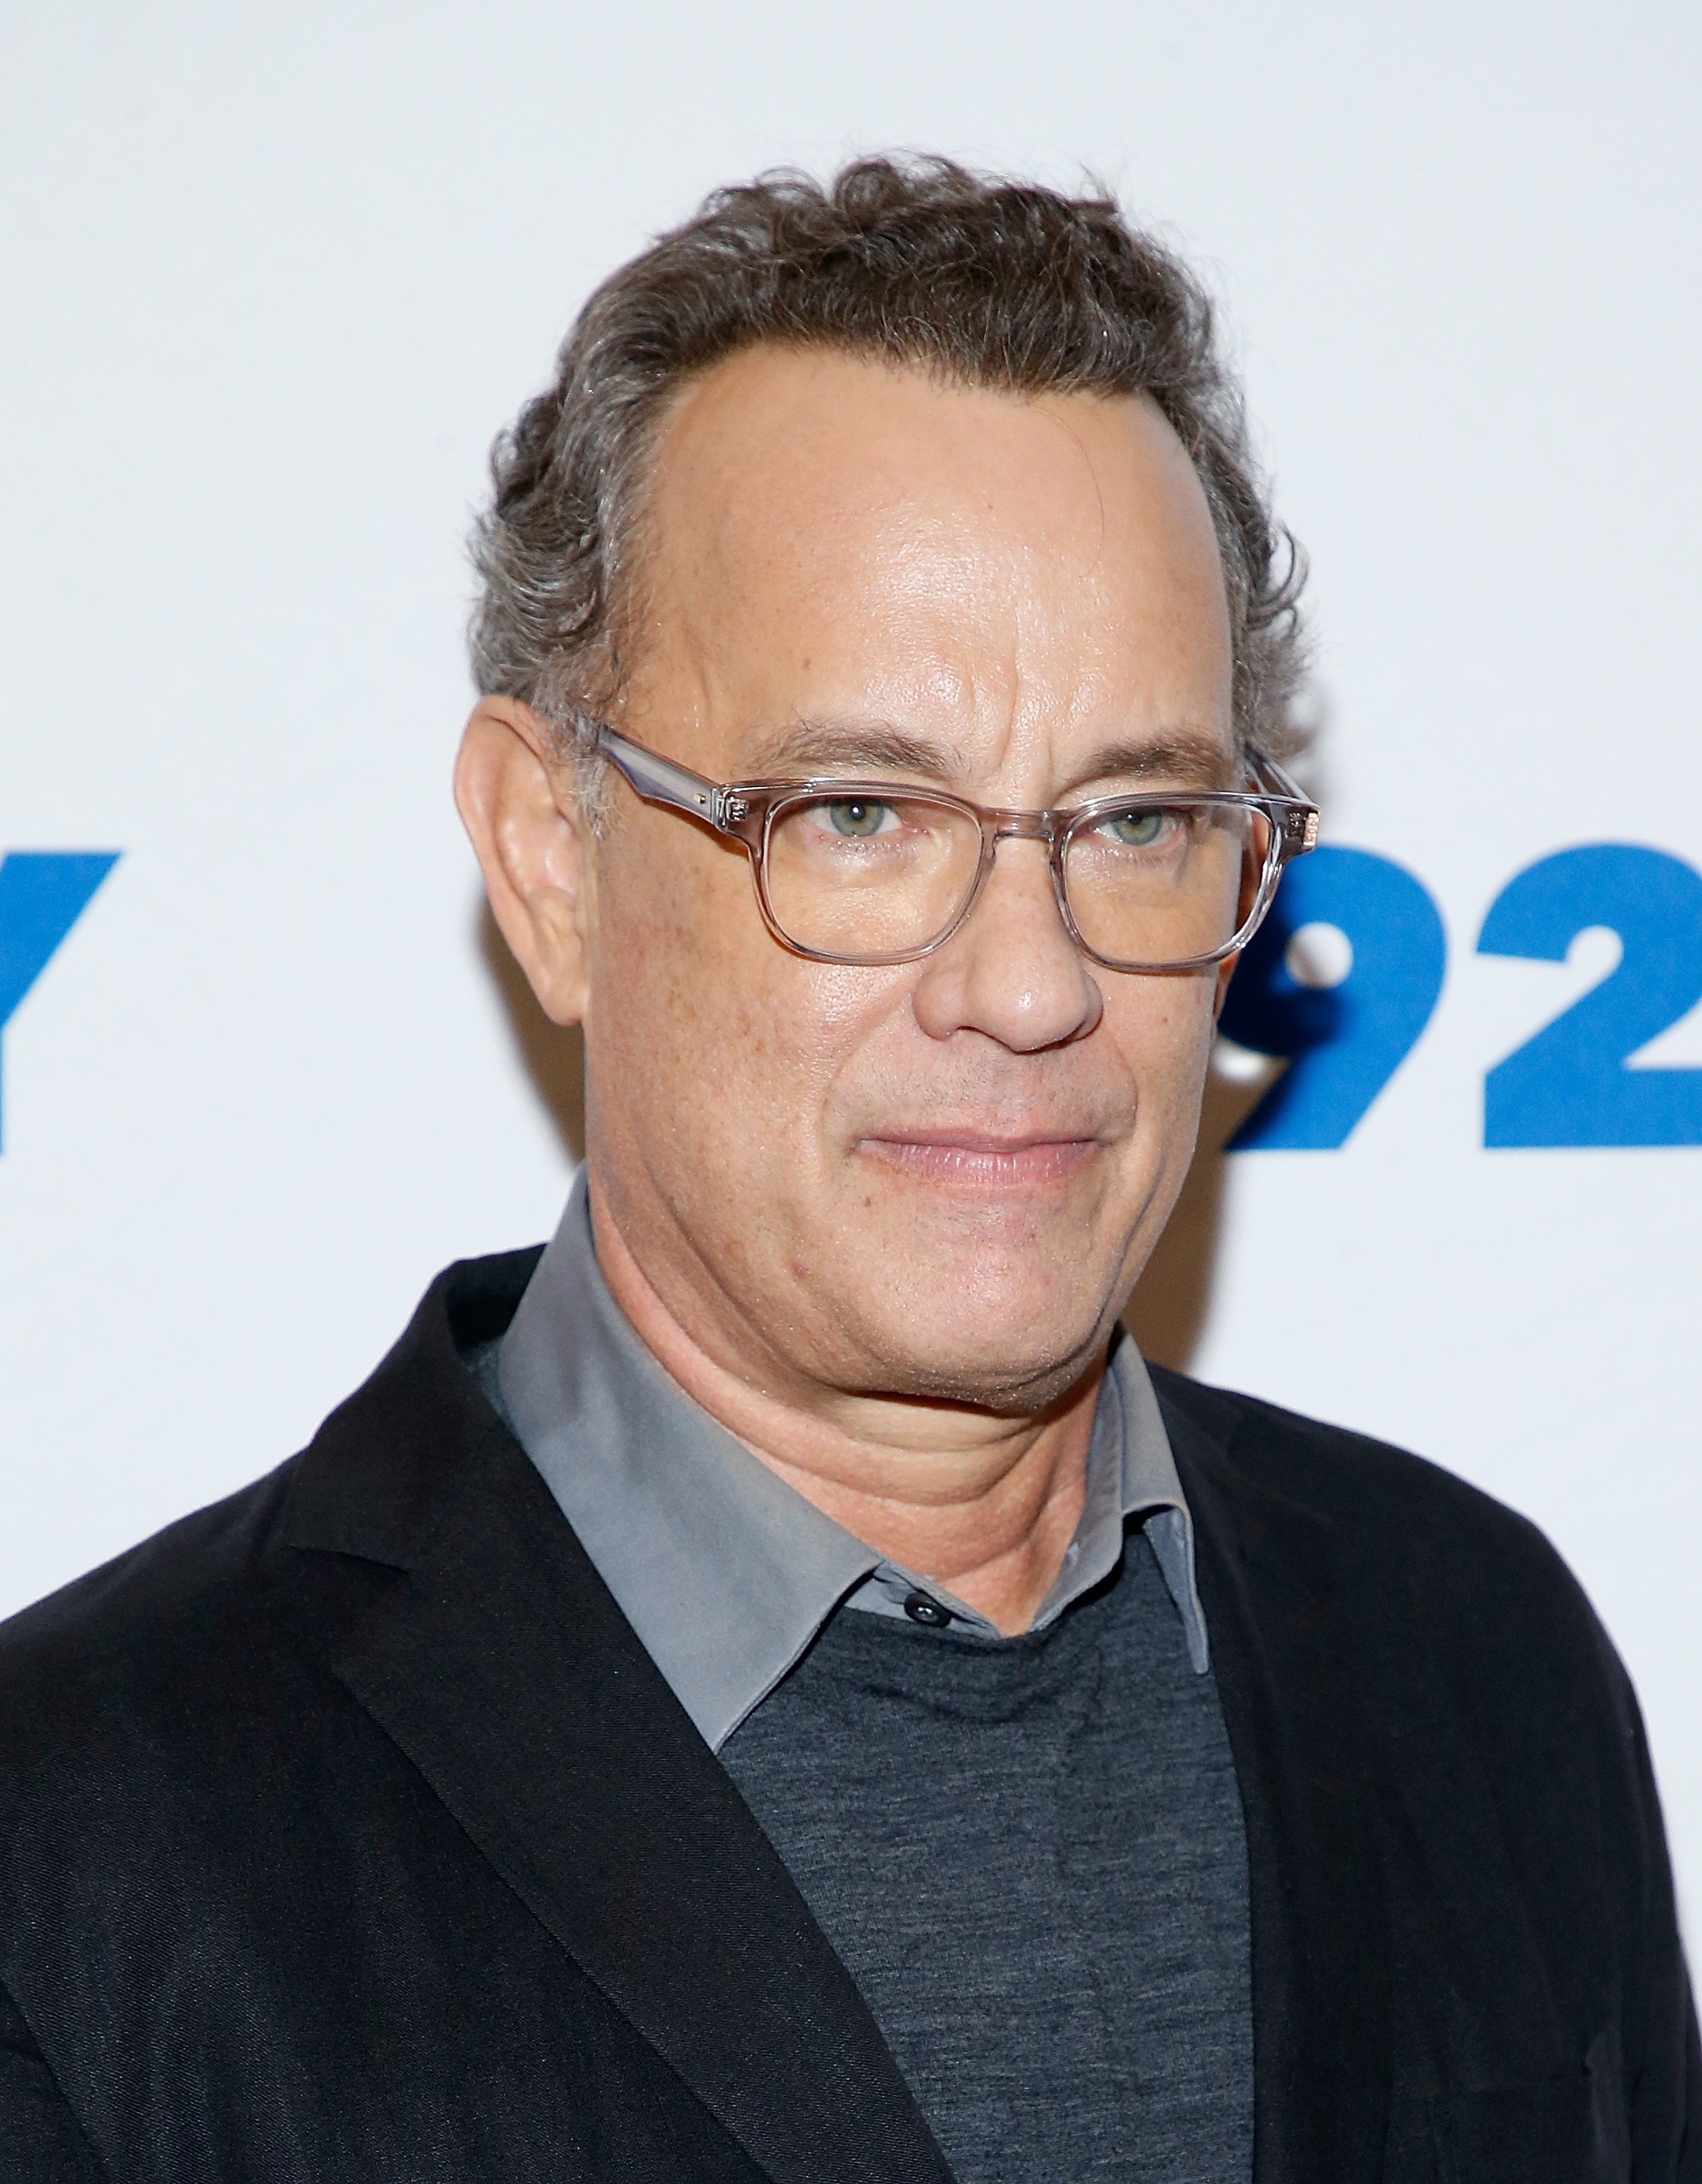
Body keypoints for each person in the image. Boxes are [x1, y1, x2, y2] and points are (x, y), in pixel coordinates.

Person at [0, 156, 1694, 2184]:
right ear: (550, 855)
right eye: (867, 813)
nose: (1032, 983)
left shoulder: (1475, 1660)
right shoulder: (80, 1846)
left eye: (1138, 819)